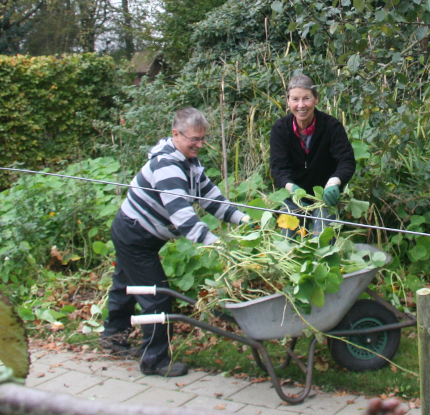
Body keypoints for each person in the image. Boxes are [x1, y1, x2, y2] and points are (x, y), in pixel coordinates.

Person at [99, 107, 252, 377]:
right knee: (156, 296)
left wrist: (245, 220)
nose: (200, 144)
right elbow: (183, 215)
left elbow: (211, 200)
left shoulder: (189, 164)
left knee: (125, 284)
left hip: (140, 233)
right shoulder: (167, 166)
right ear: (175, 134)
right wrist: (214, 244)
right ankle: (154, 361)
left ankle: (112, 336)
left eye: (203, 139)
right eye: (194, 139)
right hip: (134, 234)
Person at [269, 74, 356, 236]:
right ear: (288, 101)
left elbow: (347, 161)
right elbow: (278, 167)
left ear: (316, 99)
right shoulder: (280, 129)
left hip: (324, 196)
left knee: (324, 239)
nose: (301, 105)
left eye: (306, 98)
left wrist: (334, 182)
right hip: (293, 196)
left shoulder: (332, 127)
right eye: (295, 99)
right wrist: (291, 187)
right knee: (289, 240)